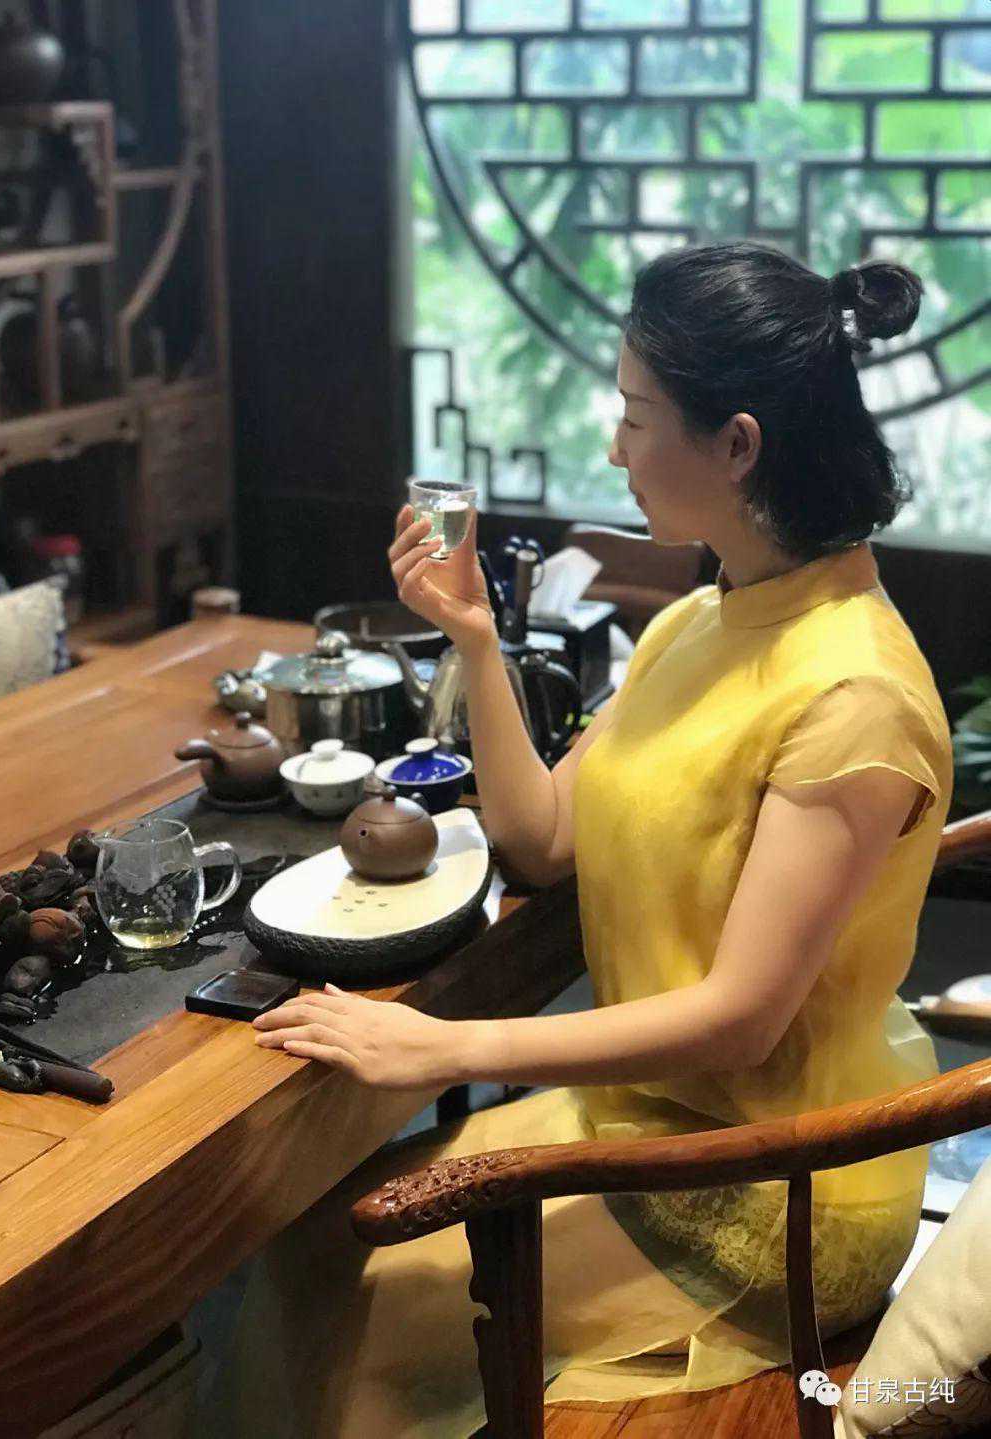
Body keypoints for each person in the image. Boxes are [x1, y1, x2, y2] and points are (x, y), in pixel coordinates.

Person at [211, 241, 954, 1436]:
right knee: (303, 1239)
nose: (614, 445)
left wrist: (442, 1044)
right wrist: (474, 639)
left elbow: (742, 1018)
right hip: (646, 1118)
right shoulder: (703, 618)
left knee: (351, 1303)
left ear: (739, 444)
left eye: (635, 415)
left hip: (774, 1183)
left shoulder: (852, 695)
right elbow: (545, 835)